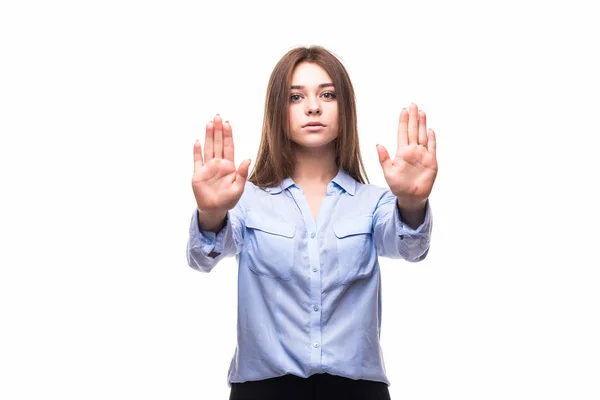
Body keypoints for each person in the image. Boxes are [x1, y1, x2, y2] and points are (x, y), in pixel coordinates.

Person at [186, 45, 438, 400]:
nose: (313, 106)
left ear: (344, 107)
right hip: (263, 391)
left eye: (327, 94)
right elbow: (203, 257)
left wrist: (412, 201)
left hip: (357, 392)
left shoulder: (374, 203)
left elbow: (412, 247)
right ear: (277, 110)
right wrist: (211, 213)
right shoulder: (247, 201)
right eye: (295, 97)